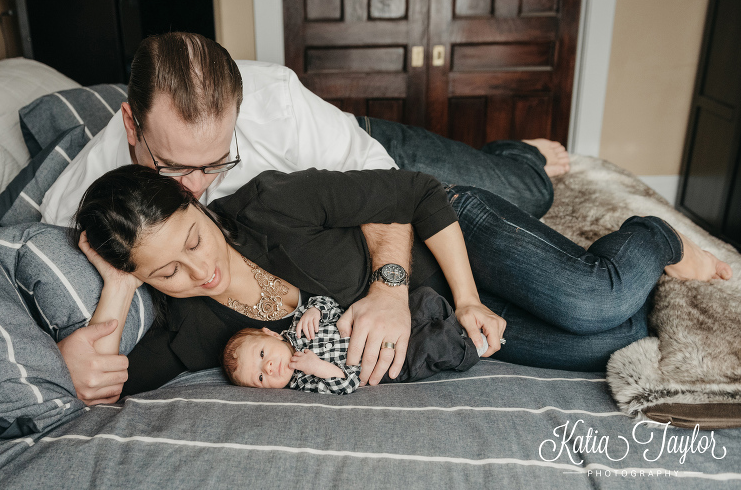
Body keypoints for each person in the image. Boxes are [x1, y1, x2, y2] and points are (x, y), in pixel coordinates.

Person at [48, 31, 569, 401]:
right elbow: (106, 355)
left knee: (528, 188)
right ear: (132, 125)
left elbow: (390, 185)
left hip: (359, 160)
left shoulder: (275, 102)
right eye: (174, 167)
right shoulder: (76, 204)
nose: (194, 187)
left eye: (215, 162)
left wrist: (388, 289)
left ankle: (519, 154)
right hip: (337, 202)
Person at [72, 165, 732, 401]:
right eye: (168, 273)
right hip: (440, 323)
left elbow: (415, 192)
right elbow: (102, 388)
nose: (201, 271)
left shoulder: (274, 204)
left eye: (193, 239)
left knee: (595, 300)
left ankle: (654, 236)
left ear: (194, 199)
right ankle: (608, 270)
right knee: (615, 337)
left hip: (453, 242)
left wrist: (412, 290)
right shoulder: (190, 332)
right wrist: (121, 286)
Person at [224, 290, 487, 393]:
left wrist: (316, 311)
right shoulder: (303, 381)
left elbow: (327, 303)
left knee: (424, 299)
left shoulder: (299, 327)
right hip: (392, 363)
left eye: (260, 355)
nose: (268, 368)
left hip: (381, 323)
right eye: (260, 378)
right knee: (434, 346)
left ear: (270, 333)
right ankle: (472, 347)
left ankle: (455, 320)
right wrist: (317, 367)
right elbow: (347, 382)